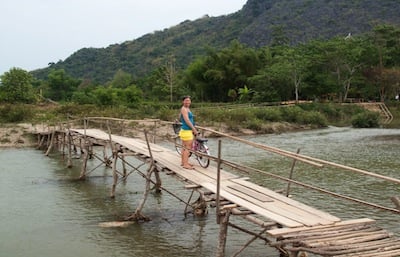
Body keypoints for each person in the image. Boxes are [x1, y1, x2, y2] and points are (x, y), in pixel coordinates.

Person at [179, 96, 198, 169]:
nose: (188, 102)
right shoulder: (184, 109)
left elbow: (183, 117)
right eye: (186, 101)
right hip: (187, 130)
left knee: (184, 147)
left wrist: (192, 117)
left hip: (185, 130)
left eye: (189, 101)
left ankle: (183, 162)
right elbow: (187, 120)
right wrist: (194, 129)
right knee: (188, 148)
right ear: (183, 101)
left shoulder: (186, 108)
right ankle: (186, 164)